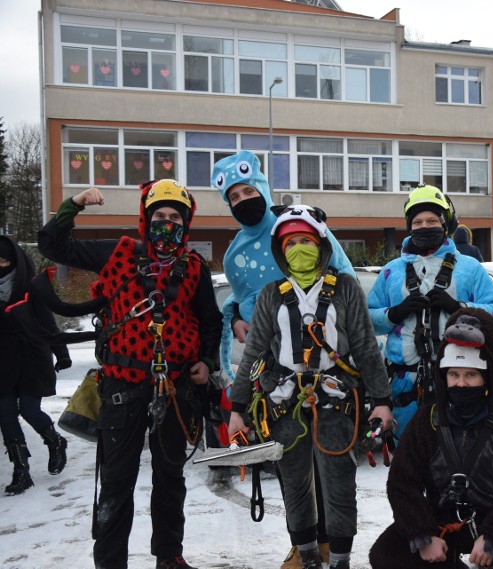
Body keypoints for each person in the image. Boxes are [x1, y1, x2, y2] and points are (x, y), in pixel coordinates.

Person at [38, 180, 223, 569]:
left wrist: (207, 361)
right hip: (122, 389)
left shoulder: (193, 268)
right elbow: (53, 246)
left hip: (175, 388)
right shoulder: (117, 253)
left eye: (175, 217)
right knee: (117, 483)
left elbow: (210, 321)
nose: (166, 224)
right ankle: (110, 563)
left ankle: (169, 556)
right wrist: (74, 204)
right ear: (146, 218)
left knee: (170, 479)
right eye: (159, 216)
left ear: (185, 223)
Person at [227, 205, 393, 569]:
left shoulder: (345, 288)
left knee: (339, 487)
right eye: (291, 243)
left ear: (321, 245)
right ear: (280, 251)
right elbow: (254, 352)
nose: (299, 248)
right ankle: (306, 556)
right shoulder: (272, 295)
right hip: (284, 407)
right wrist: (238, 408)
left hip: (335, 406)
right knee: (296, 486)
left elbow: (366, 347)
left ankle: (339, 560)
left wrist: (382, 401)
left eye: (306, 241)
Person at [211, 150, 353, 568]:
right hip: (277, 376)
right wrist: (235, 314)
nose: (242, 200)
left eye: (247, 189)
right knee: (294, 466)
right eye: (233, 196)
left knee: (329, 461)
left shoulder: (302, 223)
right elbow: (246, 302)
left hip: (328, 366)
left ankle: (332, 544)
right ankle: (303, 545)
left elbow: (343, 279)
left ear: (263, 186)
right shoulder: (234, 255)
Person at [369, 307, 493, 569]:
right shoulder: (427, 420)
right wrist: (423, 534)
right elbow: (402, 483)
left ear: (486, 377)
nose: (461, 384)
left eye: (471, 375)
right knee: (386, 554)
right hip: (440, 523)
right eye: (454, 375)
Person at [367, 185, 493, 437]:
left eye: (432, 220)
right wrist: (395, 313)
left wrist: (458, 309)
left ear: (445, 223)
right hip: (405, 384)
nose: (424, 226)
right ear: (409, 226)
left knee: (458, 451)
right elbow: (368, 321)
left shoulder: (469, 268)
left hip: (458, 381)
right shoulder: (391, 271)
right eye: (417, 222)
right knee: (409, 458)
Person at [0, 236, 71, 495]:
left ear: (15, 261)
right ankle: (21, 470)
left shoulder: (31, 286)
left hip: (32, 358)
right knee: (5, 414)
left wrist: (61, 353)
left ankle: (55, 442)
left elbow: (48, 323)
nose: (0, 266)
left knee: (29, 410)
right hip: (3, 363)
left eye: (4, 261)